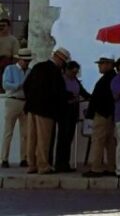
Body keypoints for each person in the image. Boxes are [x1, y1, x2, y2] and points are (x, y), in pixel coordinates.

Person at [23, 46, 70, 174]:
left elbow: (26, 85)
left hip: (31, 107)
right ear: (60, 60)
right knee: (44, 139)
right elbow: (58, 93)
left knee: (32, 138)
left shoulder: (38, 67)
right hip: (46, 110)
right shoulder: (55, 72)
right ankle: (43, 166)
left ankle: (31, 165)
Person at [83, 56, 118, 177]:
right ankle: (111, 167)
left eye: (102, 64)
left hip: (102, 113)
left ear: (109, 64)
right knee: (109, 142)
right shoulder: (112, 78)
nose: (99, 66)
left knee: (98, 140)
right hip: (109, 114)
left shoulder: (107, 80)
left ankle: (96, 167)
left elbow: (100, 98)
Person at [55, 60, 90, 172]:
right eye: (72, 72)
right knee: (62, 138)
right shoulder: (61, 80)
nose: (74, 74)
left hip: (73, 111)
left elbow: (83, 93)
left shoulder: (75, 81)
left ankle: (66, 163)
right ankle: (59, 163)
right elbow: (59, 94)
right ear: (66, 70)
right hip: (64, 111)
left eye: (76, 72)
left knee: (69, 138)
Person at [1, 47, 32, 168]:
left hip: (25, 102)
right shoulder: (10, 69)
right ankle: (4, 158)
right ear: (19, 60)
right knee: (8, 131)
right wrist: (19, 85)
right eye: (25, 60)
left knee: (25, 133)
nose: (27, 63)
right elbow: (5, 84)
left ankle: (24, 158)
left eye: (28, 61)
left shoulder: (29, 71)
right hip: (13, 100)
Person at [0, 17, 20, 93]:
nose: (1, 27)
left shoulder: (13, 40)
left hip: (6, 65)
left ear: (8, 27)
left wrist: (13, 68)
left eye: (3, 25)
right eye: (0, 25)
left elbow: (16, 56)